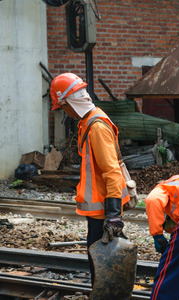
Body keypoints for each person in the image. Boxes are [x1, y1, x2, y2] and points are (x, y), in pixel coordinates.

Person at [50, 73, 130, 285]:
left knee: (101, 263)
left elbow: (112, 171)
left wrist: (113, 216)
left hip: (104, 210)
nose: (64, 112)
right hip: (99, 209)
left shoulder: (96, 127)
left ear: (69, 102)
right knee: (100, 261)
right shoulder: (88, 123)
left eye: (62, 107)